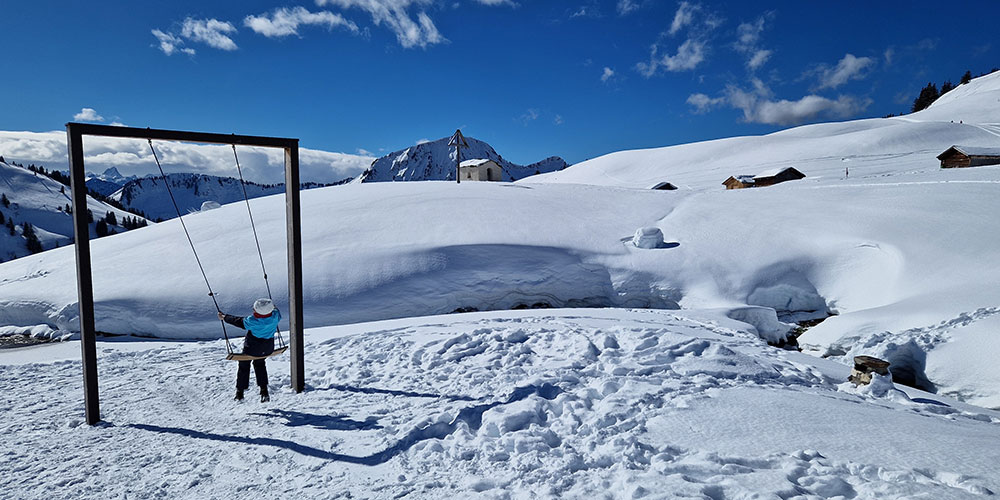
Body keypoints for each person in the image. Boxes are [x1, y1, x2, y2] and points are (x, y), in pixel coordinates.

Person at [218, 298, 281, 402]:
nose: (253, 309)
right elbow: (276, 310)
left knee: (244, 366)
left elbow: (237, 321)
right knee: (260, 364)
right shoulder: (275, 316)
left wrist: (224, 317)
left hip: (252, 349)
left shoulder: (252, 321)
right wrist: (271, 307)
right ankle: (264, 391)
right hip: (267, 348)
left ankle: (240, 393)